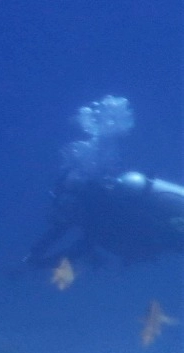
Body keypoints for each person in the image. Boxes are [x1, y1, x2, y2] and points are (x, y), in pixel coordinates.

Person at [27, 96, 184, 268]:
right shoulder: (96, 211)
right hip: (163, 235)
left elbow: (75, 243)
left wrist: (35, 260)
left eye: (65, 202)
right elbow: (65, 236)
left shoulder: (96, 212)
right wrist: (34, 257)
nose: (65, 209)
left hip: (163, 236)